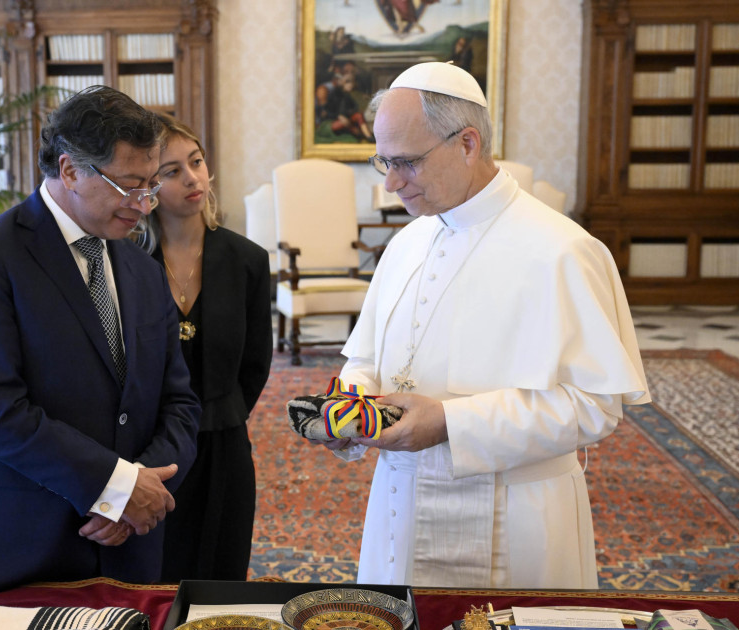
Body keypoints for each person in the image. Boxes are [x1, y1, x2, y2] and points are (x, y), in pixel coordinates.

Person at [316, 62, 650, 589]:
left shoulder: (562, 250)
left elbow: (595, 406)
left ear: (467, 143)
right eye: (383, 160)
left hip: (517, 522)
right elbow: (365, 359)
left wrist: (450, 422)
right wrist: (349, 406)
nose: (390, 184)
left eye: (406, 162)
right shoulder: (406, 243)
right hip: (402, 507)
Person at [0, 86, 201, 594]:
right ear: (71, 170)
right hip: (23, 541)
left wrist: (137, 488)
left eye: (150, 185)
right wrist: (115, 488)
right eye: (129, 186)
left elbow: (180, 400)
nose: (144, 205)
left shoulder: (141, 269)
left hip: (129, 545)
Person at [135, 114, 273, 581]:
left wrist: (223, 412)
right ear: (148, 186)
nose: (192, 178)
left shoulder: (248, 261)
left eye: (196, 162)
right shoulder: (128, 266)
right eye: (172, 171)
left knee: (222, 572)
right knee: (154, 575)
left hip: (225, 443)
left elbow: (255, 364)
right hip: (149, 450)